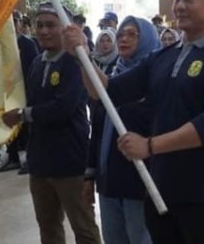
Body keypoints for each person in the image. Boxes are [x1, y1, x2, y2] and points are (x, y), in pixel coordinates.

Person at [64, 0, 204, 244]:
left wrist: (149, 146)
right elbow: (108, 92)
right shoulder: (162, 57)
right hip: (159, 187)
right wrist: (81, 56)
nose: (179, 6)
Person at [1, 3, 101, 243]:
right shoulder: (37, 62)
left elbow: (63, 108)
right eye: (40, 25)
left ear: (65, 28)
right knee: (48, 226)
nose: (44, 31)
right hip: (40, 162)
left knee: (84, 228)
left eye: (51, 25)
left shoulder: (76, 61)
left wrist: (23, 114)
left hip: (70, 161)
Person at [85, 16, 157, 244]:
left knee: (141, 238)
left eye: (132, 34)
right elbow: (97, 128)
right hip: (109, 181)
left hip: (140, 181)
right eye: (121, 35)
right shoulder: (112, 77)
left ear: (146, 38)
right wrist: (90, 175)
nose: (124, 39)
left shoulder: (154, 79)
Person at [0, 11, 41, 173]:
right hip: (7, 91)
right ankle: (12, 157)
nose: (12, 26)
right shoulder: (1, 44)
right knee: (10, 124)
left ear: (20, 24)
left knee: (28, 128)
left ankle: (30, 159)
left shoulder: (27, 44)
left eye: (14, 22)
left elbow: (34, 69)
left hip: (25, 91)